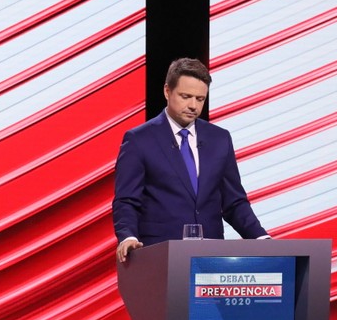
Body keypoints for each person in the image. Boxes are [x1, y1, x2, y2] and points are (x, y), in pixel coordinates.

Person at [113, 57, 269, 263]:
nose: (193, 106)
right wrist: (128, 236)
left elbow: (234, 201)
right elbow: (126, 201)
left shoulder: (220, 139)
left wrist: (261, 238)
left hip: (211, 257)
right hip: (160, 256)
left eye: (200, 99)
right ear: (167, 91)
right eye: (186, 96)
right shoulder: (139, 140)